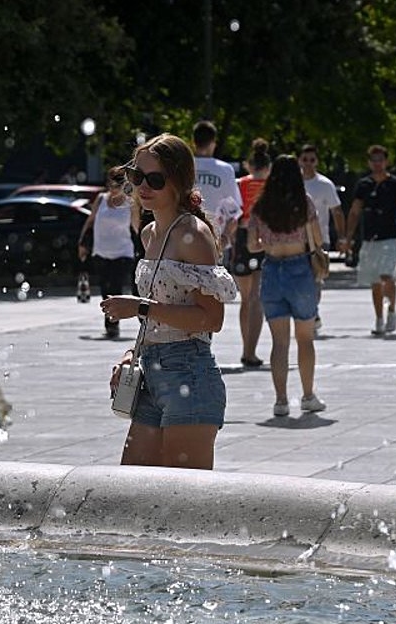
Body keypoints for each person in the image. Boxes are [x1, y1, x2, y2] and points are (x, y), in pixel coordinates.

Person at [101, 133, 238, 470]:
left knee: (183, 507)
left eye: (155, 179)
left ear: (177, 181)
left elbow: (211, 320)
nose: (143, 186)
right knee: (132, 494)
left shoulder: (192, 234)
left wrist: (139, 307)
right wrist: (131, 352)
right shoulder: (149, 233)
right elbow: (160, 315)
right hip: (152, 372)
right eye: (137, 177)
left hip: (189, 375)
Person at [246, 155, 327, 417]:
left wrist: (270, 242)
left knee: (279, 343)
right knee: (305, 339)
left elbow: (251, 246)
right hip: (299, 270)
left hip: (271, 270)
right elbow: (317, 240)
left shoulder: (261, 207)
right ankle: (308, 396)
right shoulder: (304, 203)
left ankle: (280, 401)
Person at [339, 145, 396, 335]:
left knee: (386, 274)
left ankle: (392, 310)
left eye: (380, 160)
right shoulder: (364, 185)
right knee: (374, 280)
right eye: (374, 160)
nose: (377, 163)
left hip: (391, 236)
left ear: (386, 161)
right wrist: (348, 237)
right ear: (369, 163)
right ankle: (379, 319)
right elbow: (355, 211)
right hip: (370, 237)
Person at [78, 166, 141, 338]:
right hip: (101, 251)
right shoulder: (100, 200)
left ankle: (113, 324)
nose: (112, 190)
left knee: (116, 286)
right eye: (110, 186)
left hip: (123, 252)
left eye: (116, 186)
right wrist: (82, 243)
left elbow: (136, 227)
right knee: (105, 289)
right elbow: (90, 222)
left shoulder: (130, 204)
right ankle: (111, 322)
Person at [231, 138, 271, 367]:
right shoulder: (272, 185)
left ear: (248, 164)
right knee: (257, 298)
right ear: (267, 166)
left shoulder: (240, 184)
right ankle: (250, 351)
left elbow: (233, 210)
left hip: (242, 238)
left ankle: (246, 347)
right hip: (263, 240)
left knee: (246, 299)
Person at [297, 144, 342, 336]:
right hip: (296, 241)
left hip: (319, 240)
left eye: (312, 160)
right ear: (299, 160)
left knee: (316, 280)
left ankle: (313, 313)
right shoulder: (293, 183)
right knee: (299, 279)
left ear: (317, 161)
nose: (308, 164)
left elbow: (337, 211)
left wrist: (343, 237)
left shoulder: (325, 185)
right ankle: (307, 313)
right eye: (304, 159)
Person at [192, 120, 242, 256]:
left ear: (194, 141)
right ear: (213, 143)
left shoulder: (183, 166)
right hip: (216, 239)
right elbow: (234, 210)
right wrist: (226, 237)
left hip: (186, 238)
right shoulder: (225, 169)